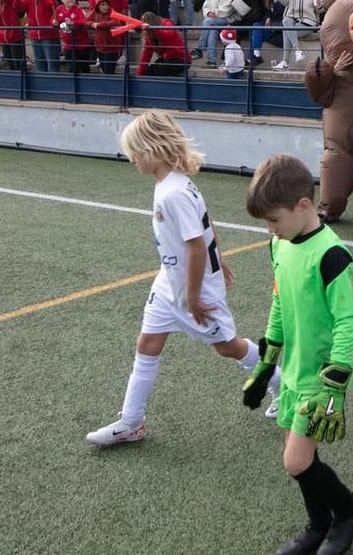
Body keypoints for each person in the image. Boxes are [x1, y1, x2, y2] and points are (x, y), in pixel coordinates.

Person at [85, 112, 267, 446]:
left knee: (227, 346)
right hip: (168, 282)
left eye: (135, 152)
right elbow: (205, 224)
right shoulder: (174, 184)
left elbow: (196, 246)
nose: (132, 159)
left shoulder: (173, 193)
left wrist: (195, 297)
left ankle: (283, 387)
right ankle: (131, 422)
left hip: (191, 287)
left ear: (153, 150)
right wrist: (220, 258)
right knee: (148, 342)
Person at [237, 155, 353, 555]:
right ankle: (318, 525)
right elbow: (279, 302)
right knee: (304, 459)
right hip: (292, 371)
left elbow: (347, 320)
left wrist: (336, 382)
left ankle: (348, 511)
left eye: (273, 220)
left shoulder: (332, 254)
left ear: (303, 206)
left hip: (320, 379)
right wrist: (265, 363)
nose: (269, 229)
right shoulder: (280, 244)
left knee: (295, 460)